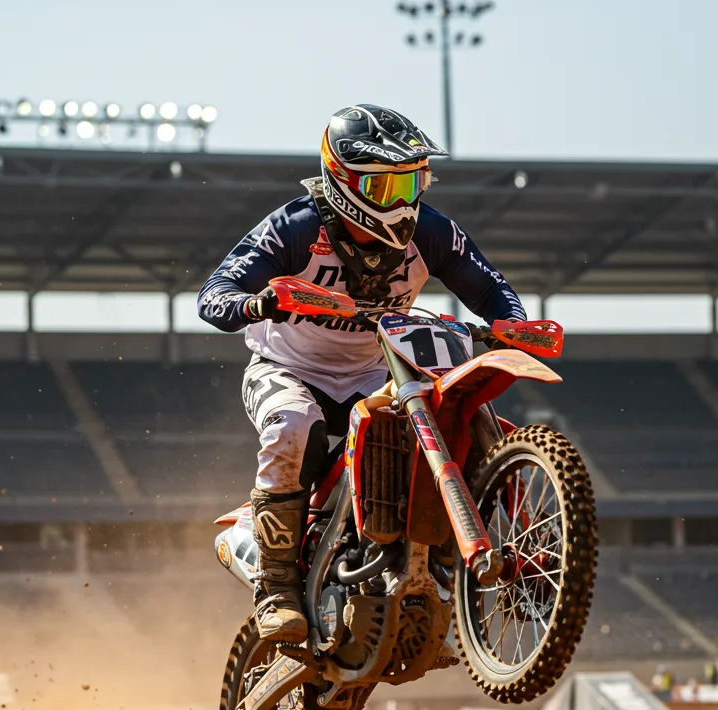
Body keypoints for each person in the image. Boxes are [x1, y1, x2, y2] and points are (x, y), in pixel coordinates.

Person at [198, 104, 527, 644]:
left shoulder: (433, 232)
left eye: (412, 183)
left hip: (378, 372)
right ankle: (276, 589)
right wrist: (257, 303)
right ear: (345, 183)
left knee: (456, 407)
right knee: (293, 424)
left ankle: (462, 568)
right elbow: (215, 296)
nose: (403, 203)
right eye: (385, 189)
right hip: (288, 369)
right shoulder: (297, 227)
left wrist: (510, 325)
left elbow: (490, 287)